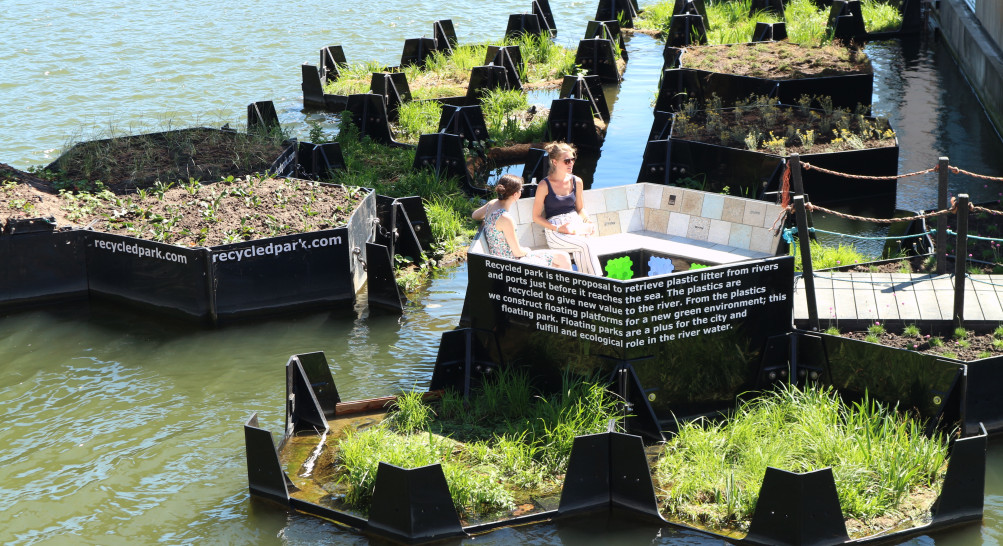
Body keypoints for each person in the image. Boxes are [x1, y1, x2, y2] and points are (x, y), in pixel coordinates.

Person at [531, 142, 602, 275]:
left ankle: (584, 286)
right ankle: (598, 282)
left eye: (572, 160)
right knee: (585, 245)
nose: (571, 163)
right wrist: (558, 228)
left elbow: (580, 209)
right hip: (555, 229)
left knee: (581, 249)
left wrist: (587, 221)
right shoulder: (544, 185)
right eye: (567, 161)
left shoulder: (577, 181)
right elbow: (536, 217)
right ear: (554, 162)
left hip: (575, 225)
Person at [473, 174, 572, 270]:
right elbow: (517, 252)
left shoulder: (492, 204)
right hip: (512, 264)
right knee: (563, 257)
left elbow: (475, 215)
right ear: (515, 194)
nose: (521, 192)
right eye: (521, 190)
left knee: (559, 260)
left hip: (501, 261)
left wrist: (488, 220)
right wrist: (528, 250)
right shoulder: (505, 218)